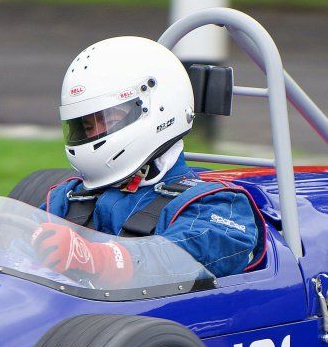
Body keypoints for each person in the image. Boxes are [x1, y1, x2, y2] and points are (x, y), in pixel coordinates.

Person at [32, 35, 265, 287]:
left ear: (159, 109)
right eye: (87, 125)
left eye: (107, 120)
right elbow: (20, 250)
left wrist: (100, 258)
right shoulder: (68, 197)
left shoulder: (215, 204)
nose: (93, 135)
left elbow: (191, 256)